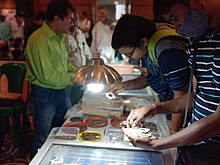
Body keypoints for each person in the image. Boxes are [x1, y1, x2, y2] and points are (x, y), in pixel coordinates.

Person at [123, 0, 220, 164]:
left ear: (197, 2)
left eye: (176, 17)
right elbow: (197, 97)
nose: (177, 28)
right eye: (171, 21)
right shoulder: (200, 39)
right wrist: (154, 109)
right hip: (195, 146)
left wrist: (159, 143)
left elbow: (217, 122)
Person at [109, 14, 190, 134]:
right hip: (170, 105)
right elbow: (149, 76)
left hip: (184, 113)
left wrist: (174, 133)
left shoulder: (167, 52)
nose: (129, 58)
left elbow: (181, 96)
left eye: (129, 54)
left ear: (143, 42)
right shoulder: (149, 40)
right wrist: (125, 85)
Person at [26, 0, 77, 156]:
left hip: (62, 90)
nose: (71, 24)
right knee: (43, 137)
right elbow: (47, 76)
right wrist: (76, 77)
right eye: (69, 19)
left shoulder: (59, 37)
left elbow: (66, 65)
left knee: (63, 131)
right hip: (45, 93)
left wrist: (81, 72)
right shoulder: (39, 39)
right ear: (56, 19)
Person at [64, 11, 92, 105]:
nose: (74, 23)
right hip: (69, 76)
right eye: (71, 20)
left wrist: (91, 66)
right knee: (68, 104)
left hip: (82, 74)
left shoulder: (79, 33)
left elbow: (87, 52)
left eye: (76, 20)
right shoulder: (63, 35)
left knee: (79, 102)